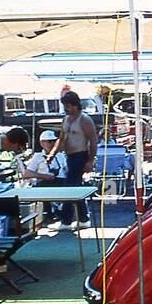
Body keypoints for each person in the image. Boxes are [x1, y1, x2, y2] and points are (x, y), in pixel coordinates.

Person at [47, 91, 97, 229]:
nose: (66, 109)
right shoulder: (65, 119)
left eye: (68, 106)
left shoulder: (85, 119)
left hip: (81, 156)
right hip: (70, 156)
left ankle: (66, 220)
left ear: (75, 105)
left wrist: (90, 160)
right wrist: (52, 154)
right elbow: (61, 139)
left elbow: (93, 140)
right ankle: (83, 219)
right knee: (75, 187)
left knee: (69, 187)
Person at [21, 130, 68, 227]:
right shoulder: (37, 156)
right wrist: (43, 176)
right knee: (43, 188)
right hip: (44, 182)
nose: (51, 144)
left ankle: (64, 214)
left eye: (53, 141)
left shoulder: (60, 155)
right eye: (49, 141)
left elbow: (67, 170)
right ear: (42, 143)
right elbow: (26, 174)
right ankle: (48, 214)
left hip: (60, 181)